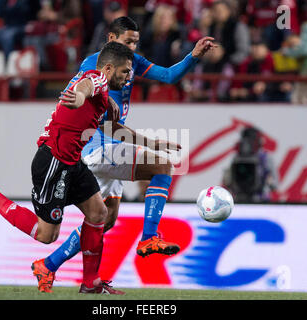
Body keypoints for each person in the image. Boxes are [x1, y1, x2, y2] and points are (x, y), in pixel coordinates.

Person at [38, 16, 215, 281]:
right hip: (95, 145)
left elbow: (167, 76)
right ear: (111, 39)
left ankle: (48, 266)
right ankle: (150, 237)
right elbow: (88, 89)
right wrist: (91, 97)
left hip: (109, 141)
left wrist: (193, 56)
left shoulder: (133, 63)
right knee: (162, 166)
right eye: (127, 41)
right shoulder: (94, 64)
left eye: (136, 42)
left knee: (105, 219)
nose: (132, 48)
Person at [0, 41, 134, 295]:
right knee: (46, 235)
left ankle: (90, 283)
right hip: (53, 162)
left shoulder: (102, 88)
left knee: (99, 214)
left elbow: (93, 93)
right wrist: (80, 96)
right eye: (125, 71)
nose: (129, 77)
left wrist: (107, 105)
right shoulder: (97, 79)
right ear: (108, 68)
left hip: (72, 162)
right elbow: (86, 88)